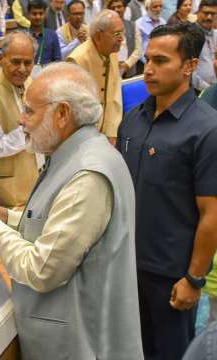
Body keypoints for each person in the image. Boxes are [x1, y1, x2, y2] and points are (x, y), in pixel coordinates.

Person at [0, 61, 144, 360]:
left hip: (83, 344)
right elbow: (58, 225)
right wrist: (5, 215)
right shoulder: (79, 153)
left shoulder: (87, 174)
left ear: (62, 115)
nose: (21, 120)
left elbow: (43, 270)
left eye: (30, 111)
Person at [116, 22, 217, 360]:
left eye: (161, 61)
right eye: (147, 60)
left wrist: (193, 278)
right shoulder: (132, 119)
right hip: (126, 266)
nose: (149, 70)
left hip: (171, 276)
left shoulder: (206, 129)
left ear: (189, 66)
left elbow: (212, 213)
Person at [0, 31, 40, 207]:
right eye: (15, 62)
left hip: (36, 177)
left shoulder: (30, 82)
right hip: (10, 191)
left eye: (28, 63)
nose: (22, 69)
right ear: (1, 58)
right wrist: (27, 130)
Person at [67, 9, 123, 142]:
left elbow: (115, 95)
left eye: (122, 33)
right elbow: (75, 110)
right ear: (98, 36)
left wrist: (112, 132)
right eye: (117, 34)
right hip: (83, 137)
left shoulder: (112, 52)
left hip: (108, 131)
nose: (121, 39)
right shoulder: (77, 60)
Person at [108, 0, 142, 78]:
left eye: (119, 7)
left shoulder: (133, 26)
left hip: (130, 71)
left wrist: (126, 65)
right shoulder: (106, 28)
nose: (116, 10)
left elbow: (138, 50)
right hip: (112, 71)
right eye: (113, 8)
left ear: (125, 8)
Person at [192, 0, 216, 91]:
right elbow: (188, 71)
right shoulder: (189, 35)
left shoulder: (216, 35)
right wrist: (208, 90)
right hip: (198, 91)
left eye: (213, 14)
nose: (209, 17)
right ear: (198, 13)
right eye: (206, 13)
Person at [27, 0, 61, 65]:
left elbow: (58, 61)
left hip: (47, 73)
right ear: (28, 15)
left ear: (45, 14)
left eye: (41, 13)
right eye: (34, 14)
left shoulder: (52, 35)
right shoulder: (22, 36)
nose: (38, 17)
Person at [136, 0, 165, 74]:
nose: (158, 9)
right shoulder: (139, 24)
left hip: (161, 62)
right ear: (147, 8)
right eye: (155, 7)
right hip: (143, 63)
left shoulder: (163, 22)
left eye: (160, 6)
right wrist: (149, 62)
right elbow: (138, 48)